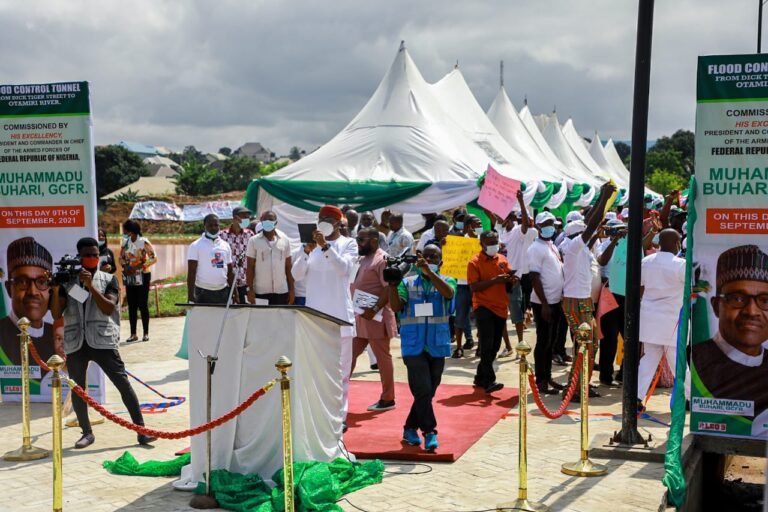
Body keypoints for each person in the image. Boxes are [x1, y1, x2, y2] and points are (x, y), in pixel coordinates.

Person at [51, 237, 155, 449]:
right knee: (78, 389)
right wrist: (54, 289)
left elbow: (107, 308)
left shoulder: (109, 279)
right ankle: (86, 433)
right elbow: (55, 314)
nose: (92, 258)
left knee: (123, 384)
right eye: (87, 255)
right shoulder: (69, 283)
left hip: (102, 341)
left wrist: (90, 286)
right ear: (79, 257)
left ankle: (142, 431)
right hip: (77, 343)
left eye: (95, 255)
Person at [291, 205, 358, 431]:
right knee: (315, 369)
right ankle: (318, 413)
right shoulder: (310, 247)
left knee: (341, 372)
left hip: (340, 317)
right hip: (315, 318)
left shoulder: (348, 244)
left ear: (339, 223)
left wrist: (325, 247)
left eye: (328, 219)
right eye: (321, 218)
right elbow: (296, 274)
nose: (324, 222)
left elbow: (344, 270)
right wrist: (306, 252)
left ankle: (340, 416)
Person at [387, 244, 455, 451]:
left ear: (441, 262)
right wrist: (392, 285)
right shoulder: (406, 282)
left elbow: (449, 294)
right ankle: (430, 431)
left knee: (428, 391)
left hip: (437, 344)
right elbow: (396, 306)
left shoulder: (448, 280)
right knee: (423, 389)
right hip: (413, 345)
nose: (429, 259)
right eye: (425, 256)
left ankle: (409, 427)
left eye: (434, 257)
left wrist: (430, 274)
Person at [692, 245, 768, 426]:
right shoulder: (698, 360)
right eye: (738, 299)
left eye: (765, 301)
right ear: (716, 306)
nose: (752, 311)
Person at [560, 182, 615, 400]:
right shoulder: (573, 247)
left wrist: (601, 199)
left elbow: (592, 223)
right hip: (575, 302)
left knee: (591, 345)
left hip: (583, 301)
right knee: (585, 346)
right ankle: (574, 388)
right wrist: (604, 198)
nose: (589, 234)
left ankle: (582, 383)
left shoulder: (580, 247)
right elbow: (591, 224)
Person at [637, 229, 686, 410]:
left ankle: (636, 397)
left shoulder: (646, 261)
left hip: (650, 318)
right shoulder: (681, 264)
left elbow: (640, 287)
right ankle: (689, 398)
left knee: (648, 359)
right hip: (671, 321)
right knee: (678, 362)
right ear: (675, 243)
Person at [350, 227, 397, 411]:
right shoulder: (361, 259)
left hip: (376, 317)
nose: (358, 243)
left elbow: (388, 288)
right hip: (360, 317)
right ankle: (338, 394)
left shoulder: (383, 260)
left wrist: (375, 308)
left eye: (361, 240)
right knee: (348, 355)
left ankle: (388, 399)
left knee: (382, 359)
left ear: (374, 240)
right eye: (357, 239)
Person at [0, 238, 61, 379]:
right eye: (22, 281)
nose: (33, 292)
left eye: (42, 282)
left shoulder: (57, 336)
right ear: (9, 288)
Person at [468, 230, 518, 394]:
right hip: (483, 306)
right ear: (481, 244)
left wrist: (512, 280)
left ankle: (480, 376)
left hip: (500, 306)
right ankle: (489, 380)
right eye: (490, 243)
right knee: (486, 344)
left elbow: (507, 282)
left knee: (495, 345)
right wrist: (495, 280)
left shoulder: (502, 259)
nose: (493, 245)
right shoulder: (474, 262)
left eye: (495, 242)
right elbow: (474, 287)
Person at [527, 213, 567, 395]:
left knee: (551, 342)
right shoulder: (535, 248)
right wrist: (544, 304)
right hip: (544, 302)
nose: (551, 227)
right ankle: (541, 380)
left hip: (555, 300)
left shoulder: (551, 245)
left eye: (553, 223)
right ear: (538, 226)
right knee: (543, 341)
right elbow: (534, 277)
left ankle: (547, 376)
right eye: (547, 224)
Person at [501, 190, 537, 355]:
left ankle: (521, 344)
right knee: (501, 314)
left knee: (516, 314)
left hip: (514, 278)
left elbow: (525, 223)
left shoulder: (518, 231)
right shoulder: (501, 233)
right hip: (500, 279)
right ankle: (508, 346)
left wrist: (521, 201)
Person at [245, 210, 294, 305]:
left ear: (276, 222)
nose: (268, 221)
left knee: (280, 315)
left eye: (270, 219)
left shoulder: (285, 239)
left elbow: (288, 266)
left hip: (281, 291)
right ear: (261, 221)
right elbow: (250, 267)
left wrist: (291, 289)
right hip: (260, 291)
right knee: (263, 315)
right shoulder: (253, 241)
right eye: (265, 219)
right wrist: (249, 289)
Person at [120, 220, 157, 342]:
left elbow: (153, 258)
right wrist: (125, 267)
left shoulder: (143, 242)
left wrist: (139, 266)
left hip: (143, 275)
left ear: (131, 231)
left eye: (125, 230)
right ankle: (133, 334)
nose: (124, 232)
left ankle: (146, 333)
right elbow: (121, 258)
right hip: (130, 276)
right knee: (132, 305)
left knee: (142, 304)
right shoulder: (125, 243)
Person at [187, 214, 234, 304]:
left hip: (222, 291)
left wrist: (235, 293)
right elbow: (191, 272)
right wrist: (190, 296)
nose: (213, 228)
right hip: (203, 292)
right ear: (204, 226)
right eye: (210, 225)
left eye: (216, 225)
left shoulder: (225, 245)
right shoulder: (195, 246)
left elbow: (230, 271)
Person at [452, 215, 481, 357]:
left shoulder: (484, 240)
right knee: (460, 316)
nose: (479, 226)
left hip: (478, 285)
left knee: (480, 316)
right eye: (477, 224)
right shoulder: (459, 240)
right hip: (463, 284)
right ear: (468, 226)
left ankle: (480, 345)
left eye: (480, 224)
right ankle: (459, 347)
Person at [220, 206, 255, 304]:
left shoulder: (250, 235)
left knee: (244, 310)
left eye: (248, 217)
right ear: (235, 218)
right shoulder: (222, 235)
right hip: (227, 283)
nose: (247, 220)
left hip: (244, 282)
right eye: (244, 217)